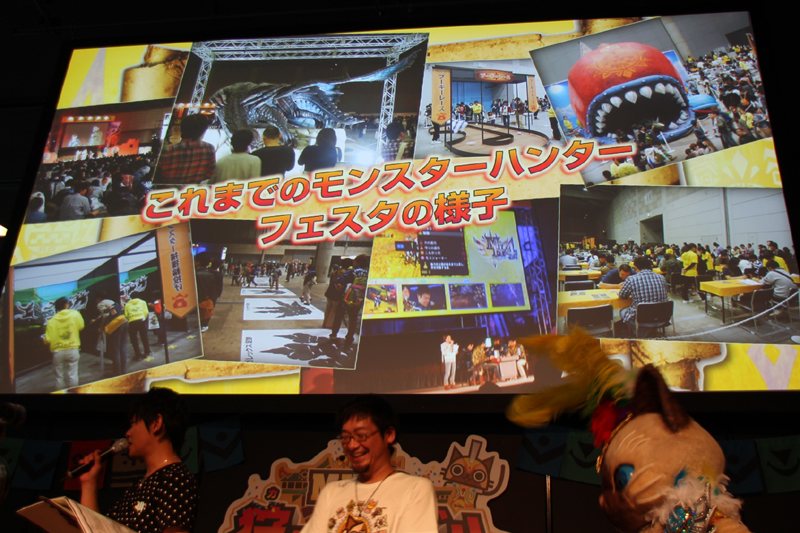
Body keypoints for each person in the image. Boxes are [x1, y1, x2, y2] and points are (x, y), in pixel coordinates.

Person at [301, 395, 437, 533]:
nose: (352, 445)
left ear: (389, 434)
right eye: (346, 437)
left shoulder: (414, 489)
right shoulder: (332, 492)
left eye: (361, 435)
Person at [79, 388, 198, 533]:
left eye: (133, 423)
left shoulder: (175, 478)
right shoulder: (139, 485)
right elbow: (96, 529)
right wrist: (89, 482)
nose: (128, 433)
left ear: (156, 423)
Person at [155, 113, 216, 186]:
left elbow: (157, 176)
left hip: (168, 191)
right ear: (203, 131)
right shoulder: (209, 148)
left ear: (182, 129)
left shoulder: (167, 151)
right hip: (192, 191)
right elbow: (210, 174)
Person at [617, 257, 669, 337]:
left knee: (622, 311)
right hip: (662, 316)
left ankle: (640, 332)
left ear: (636, 267)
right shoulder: (661, 278)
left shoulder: (631, 279)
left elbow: (623, 296)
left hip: (641, 318)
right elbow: (666, 292)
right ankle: (649, 330)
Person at [44, 297, 85, 390]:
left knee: (59, 376)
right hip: (73, 349)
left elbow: (48, 339)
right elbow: (81, 326)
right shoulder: (75, 314)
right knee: (73, 374)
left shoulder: (52, 321)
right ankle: (74, 391)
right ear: (66, 305)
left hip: (58, 351)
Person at [330, 254, 369, 346]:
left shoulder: (353, 271)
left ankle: (334, 334)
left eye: (355, 261)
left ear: (358, 262)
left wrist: (339, 286)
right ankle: (349, 337)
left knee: (339, 316)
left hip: (347, 298)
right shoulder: (368, 273)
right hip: (359, 299)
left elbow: (339, 280)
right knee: (353, 319)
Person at [125, 294, 153, 361]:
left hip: (132, 322)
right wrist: (143, 318)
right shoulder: (143, 302)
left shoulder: (127, 305)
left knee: (134, 339)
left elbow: (126, 315)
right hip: (141, 320)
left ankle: (138, 354)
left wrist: (131, 319)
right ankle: (147, 352)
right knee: (144, 337)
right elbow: (146, 312)